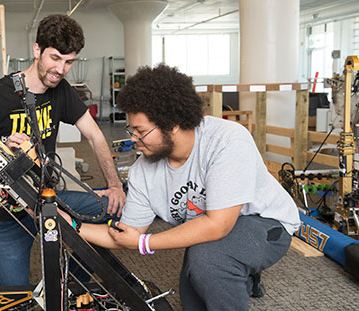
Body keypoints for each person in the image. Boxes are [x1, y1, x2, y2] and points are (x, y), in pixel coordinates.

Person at [60, 64, 300, 311]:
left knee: (208, 263)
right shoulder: (143, 170)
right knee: (193, 297)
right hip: (213, 229)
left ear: (172, 123)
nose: (133, 139)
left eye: (141, 131)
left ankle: (240, 267)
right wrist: (71, 225)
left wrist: (145, 243)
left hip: (265, 222)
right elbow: (127, 235)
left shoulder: (227, 141)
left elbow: (218, 224)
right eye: (131, 130)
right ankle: (242, 273)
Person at [0, 14, 125, 293]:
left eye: (68, 62)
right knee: (16, 296)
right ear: (37, 50)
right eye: (55, 58)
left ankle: (69, 280)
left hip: (45, 199)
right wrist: (3, 152)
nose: (61, 69)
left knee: (112, 207)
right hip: (2, 214)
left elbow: (94, 134)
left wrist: (114, 185)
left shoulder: (61, 91)